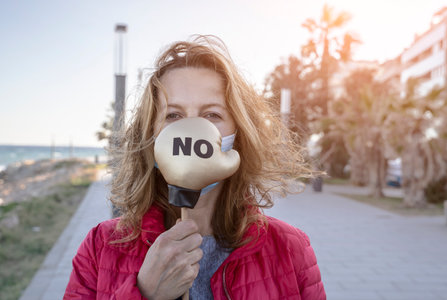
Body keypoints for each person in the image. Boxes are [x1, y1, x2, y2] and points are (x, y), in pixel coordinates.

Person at [64, 35, 326, 300]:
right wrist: (144, 293)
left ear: (239, 133)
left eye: (212, 114)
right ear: (150, 136)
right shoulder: (100, 246)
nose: (192, 130)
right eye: (173, 115)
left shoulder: (291, 248)